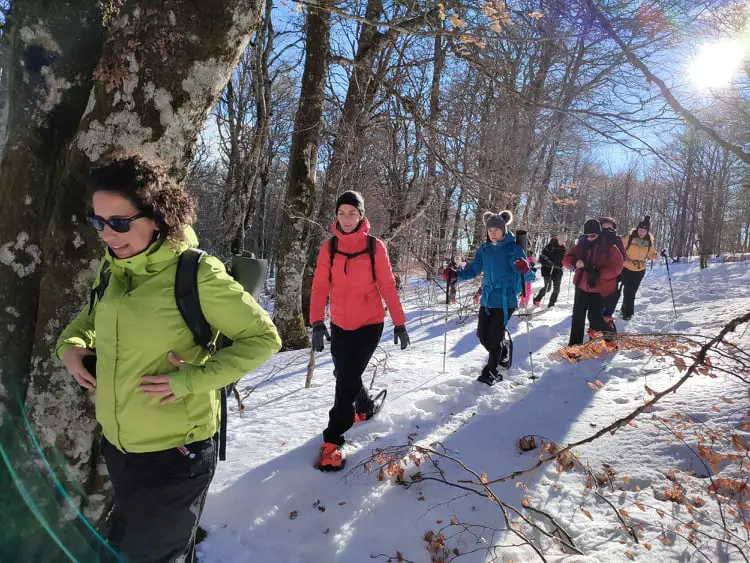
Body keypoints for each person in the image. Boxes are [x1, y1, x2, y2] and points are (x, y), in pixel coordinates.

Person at [57, 155, 282, 562]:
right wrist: (69, 345)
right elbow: (90, 319)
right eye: (98, 222)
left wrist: (188, 381)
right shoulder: (113, 270)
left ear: (157, 217)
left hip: (179, 453)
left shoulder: (196, 274)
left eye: (120, 223)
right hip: (120, 448)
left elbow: (264, 338)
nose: (107, 234)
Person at [310, 190, 409, 471]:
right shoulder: (328, 248)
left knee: (346, 378)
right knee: (344, 373)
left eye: (352, 213)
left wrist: (399, 322)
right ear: (336, 216)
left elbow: (388, 285)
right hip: (340, 323)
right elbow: (319, 287)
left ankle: (333, 440)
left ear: (361, 215)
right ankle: (363, 406)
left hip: (369, 323)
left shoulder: (374, 247)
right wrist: (317, 321)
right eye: (342, 213)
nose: (347, 218)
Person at [453, 210, 528, 384]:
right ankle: (502, 352)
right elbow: (473, 270)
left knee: (494, 337)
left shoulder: (513, 249)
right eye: (490, 230)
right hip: (488, 299)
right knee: (482, 335)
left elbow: (527, 275)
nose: (493, 233)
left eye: (496, 229)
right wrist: (455, 275)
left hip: (505, 300)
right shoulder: (484, 249)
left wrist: (524, 268)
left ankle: (491, 372)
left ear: (503, 229)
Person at [563, 219, 624, 346]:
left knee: (595, 319)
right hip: (581, 286)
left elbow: (617, 267)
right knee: (577, 318)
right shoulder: (581, 245)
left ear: (599, 233)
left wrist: (600, 273)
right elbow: (567, 259)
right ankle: (574, 347)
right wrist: (575, 262)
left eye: (593, 235)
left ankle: (610, 337)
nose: (589, 238)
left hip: (598, 289)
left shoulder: (609, 247)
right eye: (587, 235)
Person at [620, 215, 657, 320]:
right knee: (628, 291)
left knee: (631, 291)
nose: (641, 232)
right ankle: (628, 313)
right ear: (637, 229)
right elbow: (619, 248)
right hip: (626, 267)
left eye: (644, 231)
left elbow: (652, 254)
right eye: (640, 229)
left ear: (647, 231)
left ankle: (624, 309)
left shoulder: (649, 241)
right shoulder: (629, 237)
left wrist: (661, 254)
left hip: (640, 269)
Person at [597, 217, 626, 330]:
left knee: (610, 302)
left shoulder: (617, 239)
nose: (607, 227)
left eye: (610, 225)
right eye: (605, 225)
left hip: (614, 276)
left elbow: (623, 256)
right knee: (598, 304)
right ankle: (596, 327)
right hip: (597, 275)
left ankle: (609, 331)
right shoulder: (596, 237)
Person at [533, 235, 566, 308]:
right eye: (561, 241)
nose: (562, 243)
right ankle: (537, 299)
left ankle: (551, 304)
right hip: (547, 270)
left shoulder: (563, 249)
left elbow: (564, 260)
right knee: (548, 287)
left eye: (563, 242)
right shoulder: (549, 247)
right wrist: (550, 263)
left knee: (557, 288)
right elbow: (542, 258)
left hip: (557, 270)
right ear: (557, 240)